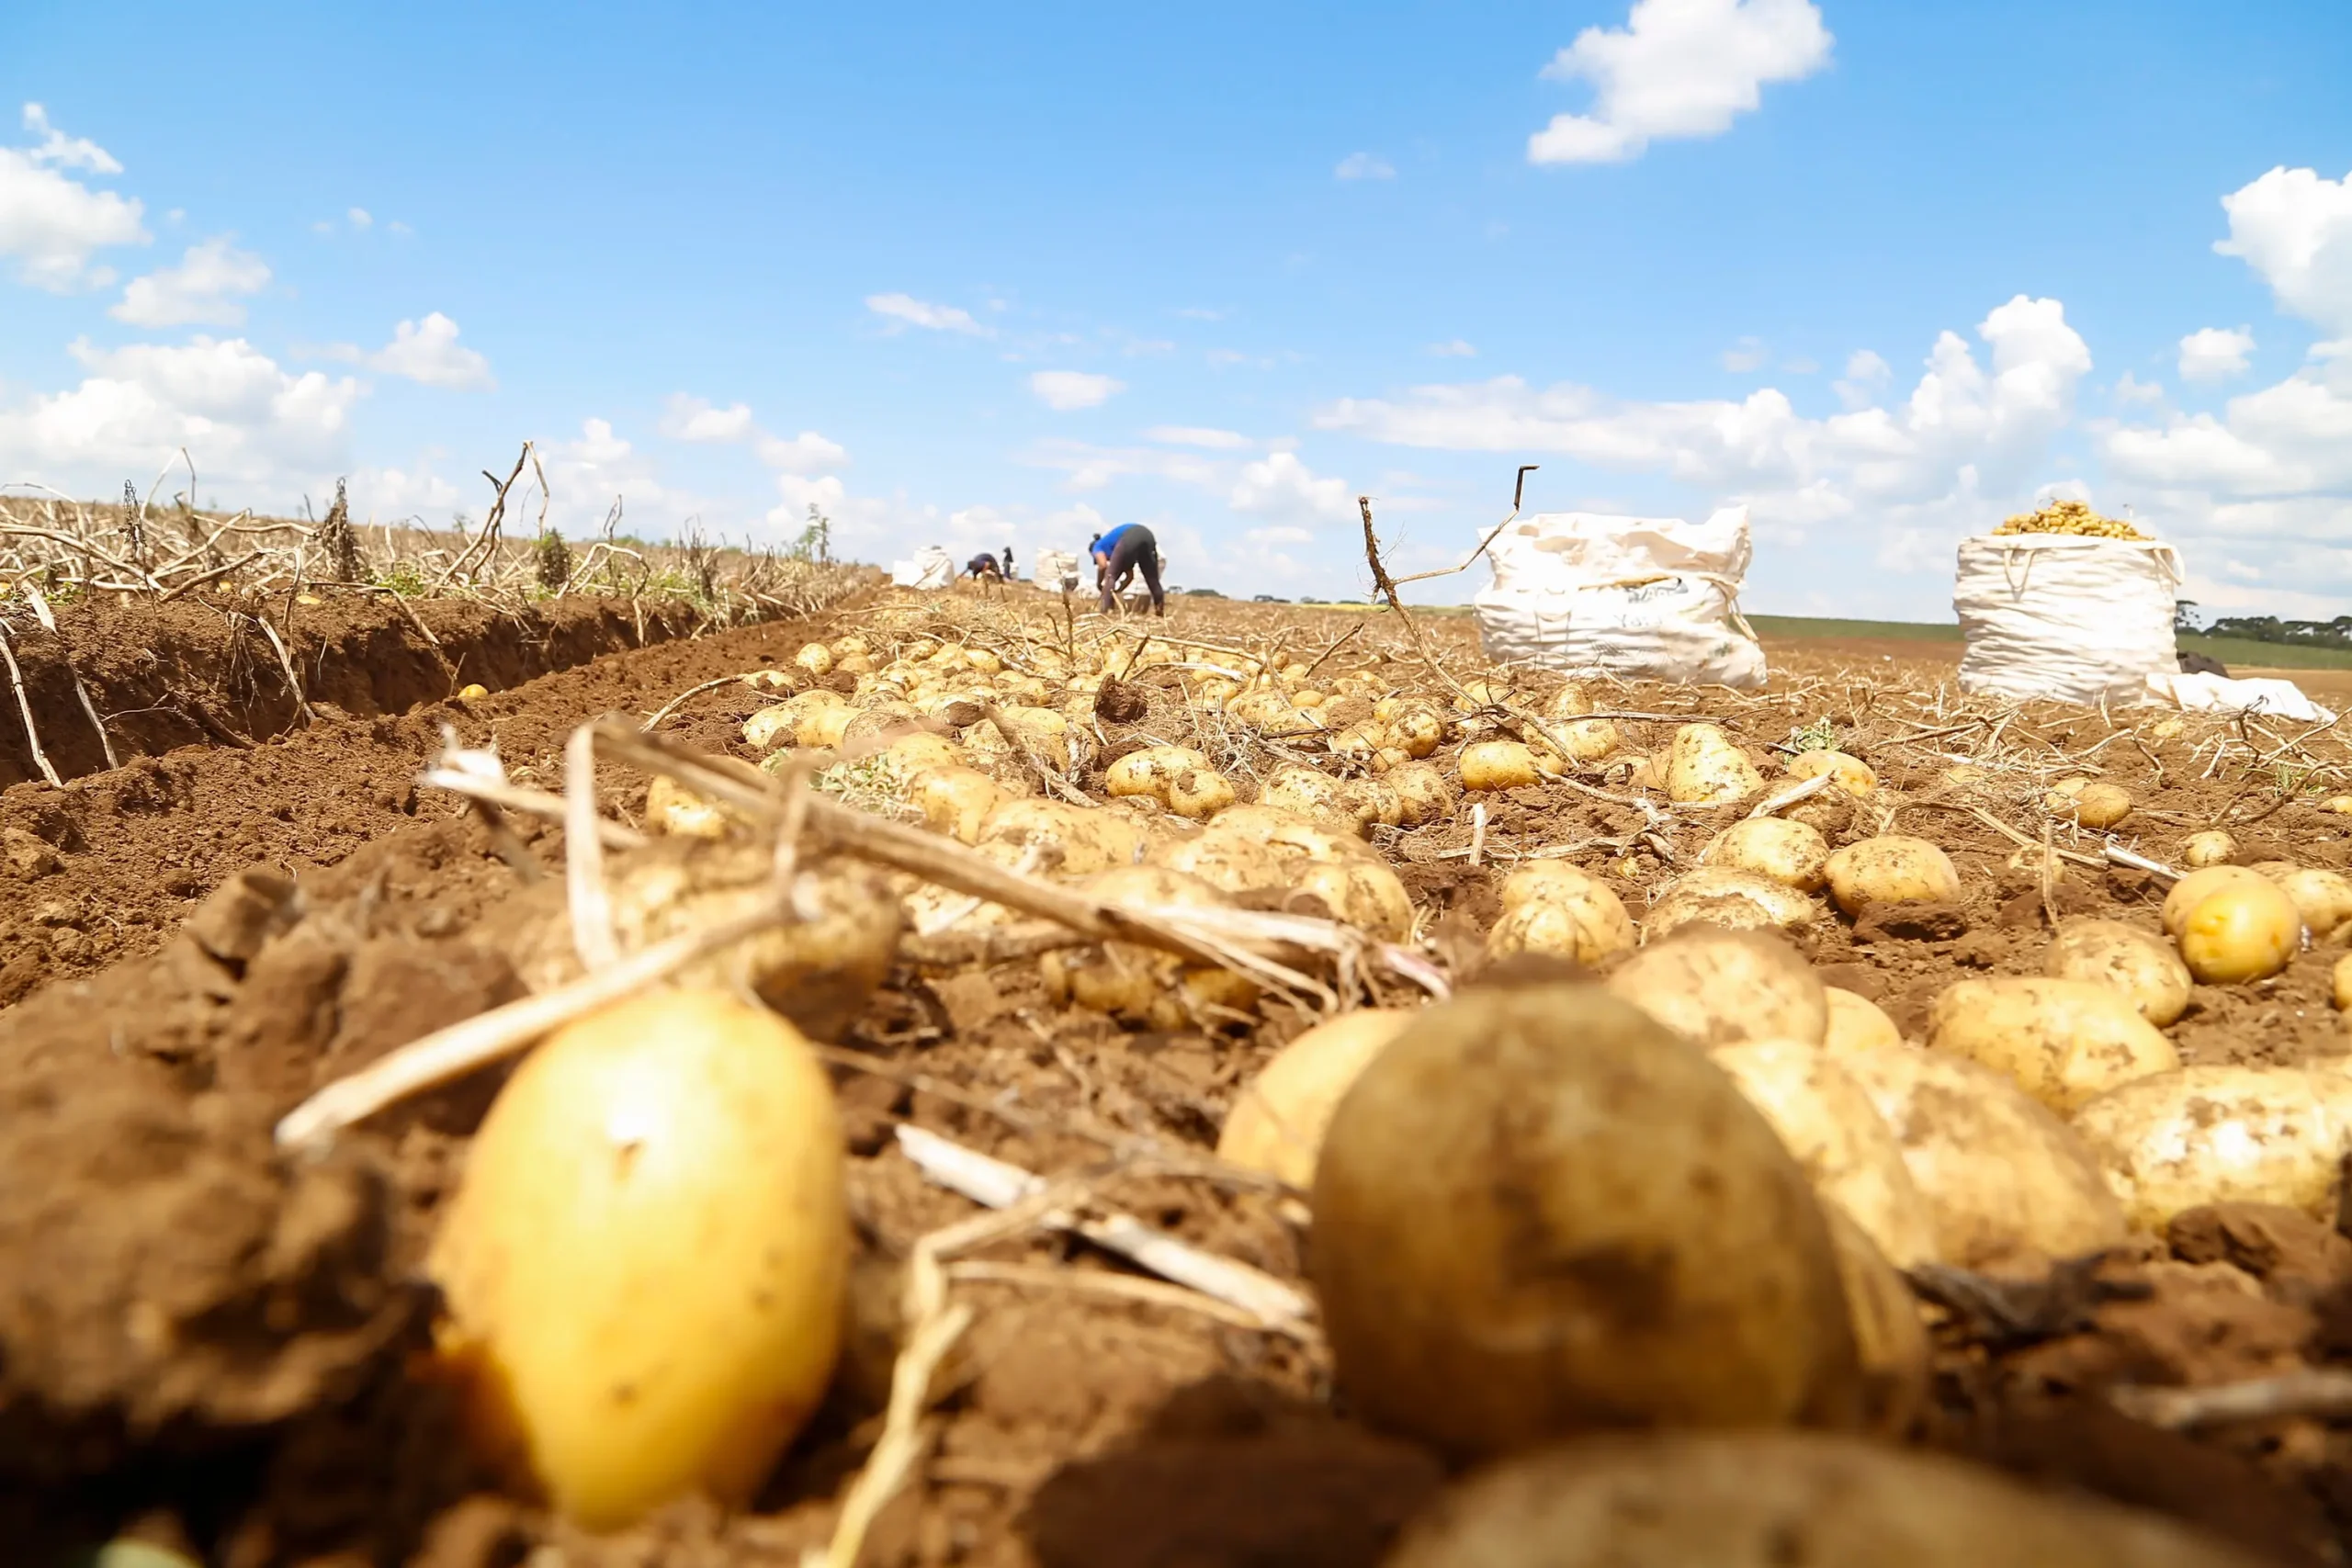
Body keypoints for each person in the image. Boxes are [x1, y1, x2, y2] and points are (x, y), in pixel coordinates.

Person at [1089, 524, 1165, 616]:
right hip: (1148, 536)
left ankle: (1104, 612)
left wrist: (1099, 583)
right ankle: (1160, 613)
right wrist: (1119, 589)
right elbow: (1129, 576)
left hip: (1129, 537)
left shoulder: (1097, 546)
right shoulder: (1113, 546)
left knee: (1110, 576)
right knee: (1153, 580)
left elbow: (1103, 566)